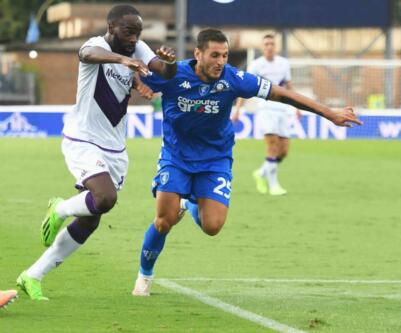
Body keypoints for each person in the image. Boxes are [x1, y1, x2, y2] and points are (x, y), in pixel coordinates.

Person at [131, 28, 362, 296]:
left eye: (225, 56)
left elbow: (281, 93)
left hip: (215, 159)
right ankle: (144, 276)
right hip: (176, 155)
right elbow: (132, 76)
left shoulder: (234, 79)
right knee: (163, 221)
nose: (221, 62)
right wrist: (138, 84)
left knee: (213, 227)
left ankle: (191, 200)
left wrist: (328, 112)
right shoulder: (173, 74)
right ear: (198, 54)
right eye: (214, 55)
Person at [17, 4, 175, 301]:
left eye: (138, 33)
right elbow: (86, 55)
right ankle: (60, 208)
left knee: (92, 217)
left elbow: (164, 72)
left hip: (115, 146)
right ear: (111, 27)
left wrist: (169, 63)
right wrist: (123, 61)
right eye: (129, 31)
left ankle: (32, 275)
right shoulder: (97, 46)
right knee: (105, 198)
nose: (134, 38)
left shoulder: (137, 48)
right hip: (83, 138)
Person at [232, 34, 298, 195]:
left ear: (275, 47)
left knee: (283, 151)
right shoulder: (256, 65)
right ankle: (273, 185)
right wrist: (238, 109)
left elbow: (289, 85)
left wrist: (297, 107)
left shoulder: (284, 64)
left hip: (283, 110)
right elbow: (244, 88)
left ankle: (261, 173)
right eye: (266, 44)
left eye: (272, 44)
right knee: (273, 146)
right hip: (266, 110)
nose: (269, 46)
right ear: (263, 47)